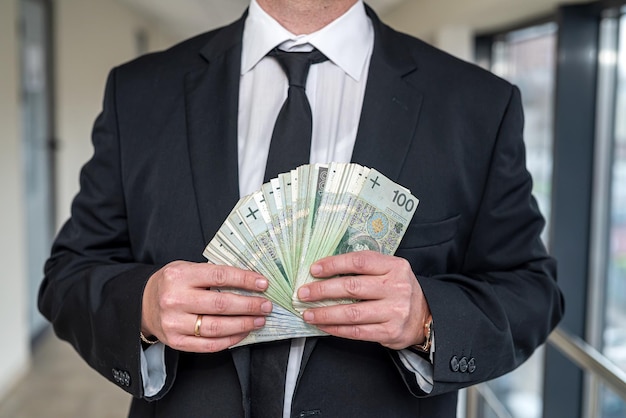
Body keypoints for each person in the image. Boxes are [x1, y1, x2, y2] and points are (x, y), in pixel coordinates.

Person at [38, 0, 564, 417]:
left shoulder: (476, 104)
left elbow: (531, 290)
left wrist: (427, 316)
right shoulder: (139, 93)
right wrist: (146, 307)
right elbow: (68, 275)